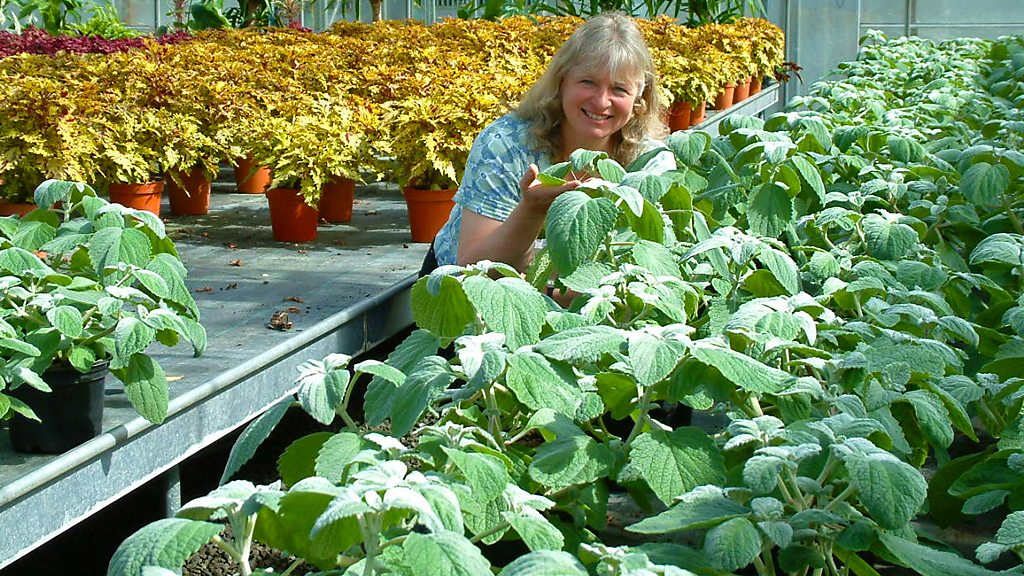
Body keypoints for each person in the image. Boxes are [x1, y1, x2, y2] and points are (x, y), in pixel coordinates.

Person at [421, 12, 674, 276]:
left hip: (590, 294)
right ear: (561, 83)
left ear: (639, 99)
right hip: (466, 289)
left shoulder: (650, 161)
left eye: (619, 89)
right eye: (587, 82)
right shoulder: (506, 144)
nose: (601, 102)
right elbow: (471, 268)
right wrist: (531, 212)